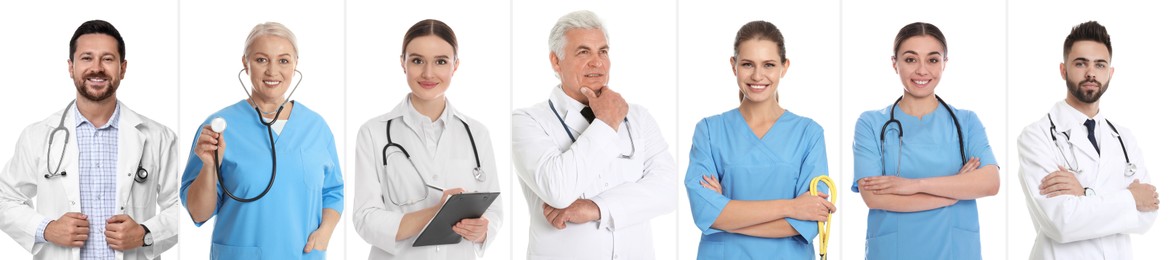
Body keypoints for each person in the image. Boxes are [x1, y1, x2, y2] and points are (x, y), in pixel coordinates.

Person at [0, 20, 179, 260]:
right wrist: (48, 229)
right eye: (86, 58)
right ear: (71, 67)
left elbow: (184, 205)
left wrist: (146, 234)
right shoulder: (38, 136)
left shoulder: (158, 137)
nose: (97, 68)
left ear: (122, 68)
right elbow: (5, 198)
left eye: (107, 59)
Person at [511, 10, 676, 259]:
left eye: (603, 51)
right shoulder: (527, 121)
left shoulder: (638, 117)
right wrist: (607, 121)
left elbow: (668, 192)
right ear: (556, 61)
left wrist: (597, 208)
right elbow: (558, 189)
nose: (597, 62)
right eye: (583, 52)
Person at [180, 22, 343, 259]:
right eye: (261, 60)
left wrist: (325, 231)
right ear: (245, 64)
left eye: (283, 60)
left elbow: (334, 191)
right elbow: (199, 213)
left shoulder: (316, 127)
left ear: (296, 64)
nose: (272, 71)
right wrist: (208, 167)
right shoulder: (219, 126)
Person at [352, 19, 502, 259]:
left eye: (441, 61)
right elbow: (365, 219)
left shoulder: (477, 133)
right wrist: (437, 212)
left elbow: (493, 211)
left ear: (455, 66)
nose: (428, 73)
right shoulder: (373, 132)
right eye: (417, 60)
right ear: (403, 63)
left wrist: (482, 230)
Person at [685, 20, 835, 259]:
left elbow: (809, 222)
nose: (757, 75)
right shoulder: (709, 130)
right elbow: (705, 212)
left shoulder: (809, 133)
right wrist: (792, 207)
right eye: (747, 64)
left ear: (784, 67)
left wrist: (727, 213)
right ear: (733, 66)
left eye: (768, 65)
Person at [851, 22, 999, 259]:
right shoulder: (871, 123)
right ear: (894, 64)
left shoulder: (966, 122)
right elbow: (873, 196)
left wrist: (913, 185)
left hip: (955, 251)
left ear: (944, 64)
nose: (922, 70)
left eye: (932, 60)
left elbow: (990, 183)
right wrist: (955, 191)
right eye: (910, 59)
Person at [1016, 21, 1157, 260]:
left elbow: (1147, 214)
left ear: (1110, 73)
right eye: (1080, 63)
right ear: (1063, 70)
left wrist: (1085, 194)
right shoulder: (1036, 136)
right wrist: (1129, 198)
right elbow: (1061, 222)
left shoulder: (1124, 138)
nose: (1091, 73)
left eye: (1100, 65)